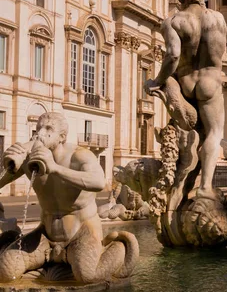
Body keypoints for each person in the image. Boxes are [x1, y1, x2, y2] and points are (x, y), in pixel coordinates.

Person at [0, 112, 138, 282]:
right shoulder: (31, 159)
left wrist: (55, 168)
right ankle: (47, 260)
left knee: (87, 276)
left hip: (80, 232)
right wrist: (5, 164)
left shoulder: (79, 156)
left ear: (62, 137)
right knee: (7, 271)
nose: (41, 133)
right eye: (38, 128)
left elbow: (98, 182)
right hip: (46, 235)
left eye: (48, 128)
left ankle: (118, 248)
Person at [145, 0, 227, 198]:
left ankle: (180, 185)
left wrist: (157, 80)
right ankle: (204, 188)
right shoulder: (218, 19)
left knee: (188, 134)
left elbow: (173, 55)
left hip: (185, 83)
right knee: (213, 133)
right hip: (210, 82)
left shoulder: (172, 21)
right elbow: (220, 52)